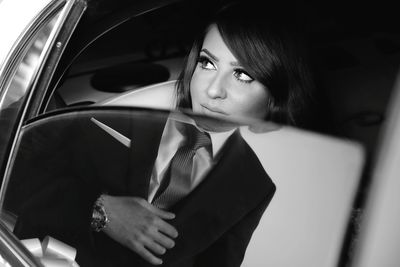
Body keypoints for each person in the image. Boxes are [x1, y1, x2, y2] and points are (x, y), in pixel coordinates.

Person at [10, 1, 315, 266]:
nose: (212, 90)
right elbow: (13, 170)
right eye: (207, 63)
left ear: (274, 98)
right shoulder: (120, 111)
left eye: (242, 75)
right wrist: (100, 210)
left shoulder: (254, 185)